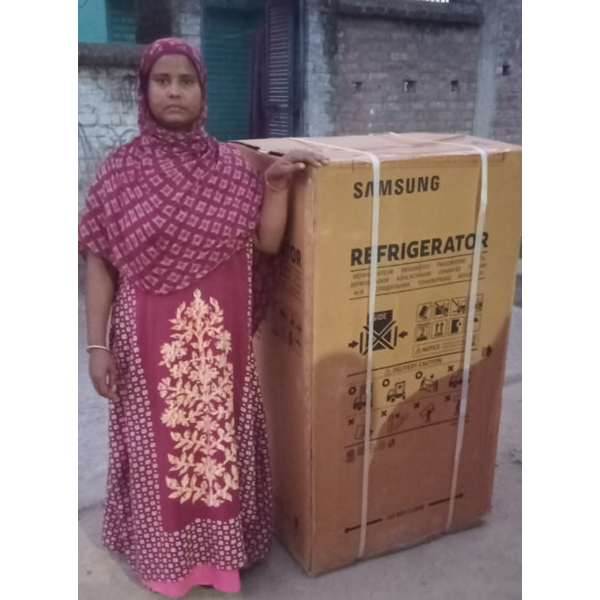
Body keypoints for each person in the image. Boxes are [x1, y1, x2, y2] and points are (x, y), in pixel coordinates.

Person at [78, 37, 327, 597]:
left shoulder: (232, 167)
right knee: (160, 449)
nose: (173, 90)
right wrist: (96, 348)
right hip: (147, 346)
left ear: (202, 93)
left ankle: (222, 556)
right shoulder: (119, 173)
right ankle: (166, 561)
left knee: (218, 445)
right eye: (161, 80)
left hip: (222, 345)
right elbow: (100, 262)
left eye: (185, 81)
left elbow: (266, 244)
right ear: (144, 91)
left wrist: (277, 185)